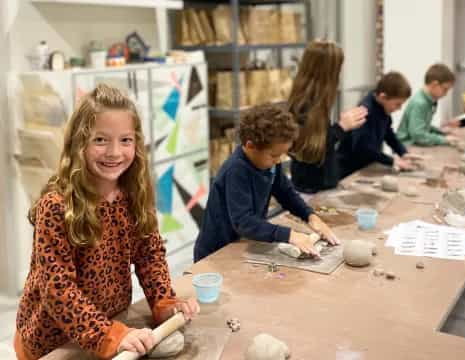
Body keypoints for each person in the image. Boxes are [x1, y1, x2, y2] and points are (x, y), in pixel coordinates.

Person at [15, 84, 199, 360]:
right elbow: (58, 290)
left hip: (111, 323)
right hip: (53, 341)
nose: (115, 152)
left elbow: (149, 255)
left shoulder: (133, 193)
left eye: (125, 140)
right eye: (100, 140)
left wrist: (164, 303)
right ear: (80, 143)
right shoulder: (56, 206)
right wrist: (109, 335)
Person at [194, 103, 339, 262]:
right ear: (250, 146)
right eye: (274, 155)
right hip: (216, 252)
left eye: (281, 155)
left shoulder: (268, 163)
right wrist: (289, 235)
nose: (278, 161)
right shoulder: (235, 170)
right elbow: (244, 222)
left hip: (242, 243)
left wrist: (310, 216)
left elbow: (286, 193)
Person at [287, 40, 368, 193]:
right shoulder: (305, 104)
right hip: (310, 187)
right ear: (327, 72)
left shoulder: (318, 100)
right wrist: (341, 127)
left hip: (320, 184)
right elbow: (310, 149)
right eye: (338, 69)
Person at [337, 71, 415, 178]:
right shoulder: (365, 111)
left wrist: (403, 152)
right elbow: (363, 148)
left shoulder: (383, 108)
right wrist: (392, 161)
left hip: (364, 167)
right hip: (348, 170)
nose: (399, 108)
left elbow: (388, 134)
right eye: (397, 104)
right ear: (383, 97)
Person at [396, 63, 459, 146]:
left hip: (413, 142)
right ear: (434, 84)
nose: (446, 94)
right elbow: (418, 135)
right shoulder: (420, 103)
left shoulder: (428, 100)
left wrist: (441, 132)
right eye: (445, 89)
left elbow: (423, 126)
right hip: (407, 146)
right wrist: (444, 140)